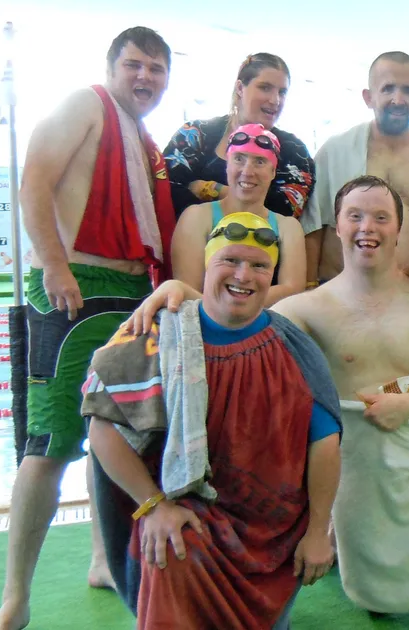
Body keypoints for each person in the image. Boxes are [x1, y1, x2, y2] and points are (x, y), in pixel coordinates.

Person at [116, 177, 409, 629]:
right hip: (359, 457)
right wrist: (177, 290)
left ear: (399, 229)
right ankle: (377, 576)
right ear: (338, 227)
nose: (369, 226)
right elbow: (236, 313)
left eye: (381, 217)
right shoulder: (306, 308)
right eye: (356, 216)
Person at [0, 27, 178, 630]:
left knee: (113, 431)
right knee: (51, 441)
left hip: (130, 293)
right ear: (111, 66)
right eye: (134, 65)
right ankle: (15, 598)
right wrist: (52, 265)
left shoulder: (142, 139)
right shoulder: (85, 105)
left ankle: (101, 557)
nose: (144, 77)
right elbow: (34, 182)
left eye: (156, 68)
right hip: (76, 287)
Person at [84, 211, 341, 629]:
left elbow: (324, 443)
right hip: (186, 515)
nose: (244, 275)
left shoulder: (293, 347)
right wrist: (153, 506)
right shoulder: (157, 334)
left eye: (259, 266)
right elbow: (103, 426)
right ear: (208, 264)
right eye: (230, 260)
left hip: (271, 530)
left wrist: (317, 532)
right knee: (174, 544)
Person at [300, 51, 409, 283]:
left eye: (408, 90)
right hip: (335, 296)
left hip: (404, 298)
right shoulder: (335, 151)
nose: (398, 100)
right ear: (368, 97)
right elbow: (312, 228)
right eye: (388, 88)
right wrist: (308, 290)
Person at [163, 53, 315, 220]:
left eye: (282, 92)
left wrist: (210, 188)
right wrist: (249, 199)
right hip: (190, 241)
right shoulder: (195, 133)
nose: (275, 100)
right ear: (240, 88)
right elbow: (168, 192)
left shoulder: (294, 151)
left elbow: (283, 210)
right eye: (265, 88)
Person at [170, 123, 306, 305]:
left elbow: (292, 290)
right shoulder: (196, 217)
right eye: (239, 159)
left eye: (260, 162)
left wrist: (236, 307)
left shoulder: (288, 227)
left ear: (273, 171)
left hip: (263, 329)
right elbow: (188, 290)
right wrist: (238, 307)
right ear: (227, 165)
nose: (248, 171)